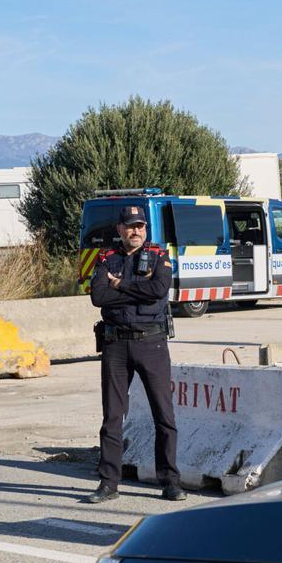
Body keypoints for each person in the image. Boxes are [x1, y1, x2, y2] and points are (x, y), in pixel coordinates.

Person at [85, 204, 185, 505]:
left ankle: (170, 482)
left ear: (146, 229)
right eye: (129, 226)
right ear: (120, 230)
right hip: (115, 345)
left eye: (140, 226)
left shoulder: (159, 257)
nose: (135, 231)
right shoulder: (106, 259)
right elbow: (99, 297)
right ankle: (108, 483)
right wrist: (135, 288)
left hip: (151, 343)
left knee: (164, 416)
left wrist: (122, 285)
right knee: (112, 416)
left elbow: (158, 289)